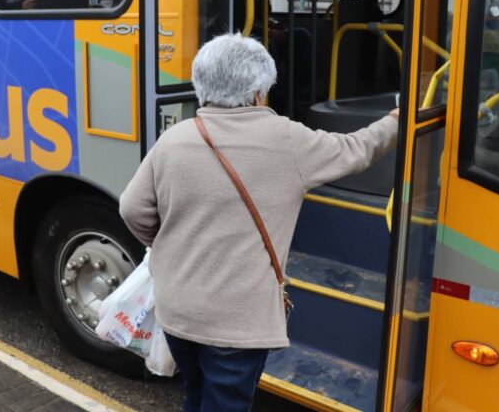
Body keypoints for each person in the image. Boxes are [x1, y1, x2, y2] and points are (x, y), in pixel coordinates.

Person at [119, 34, 398, 412]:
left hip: (178, 310)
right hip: (237, 325)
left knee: (195, 392)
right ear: (257, 93)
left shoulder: (174, 139)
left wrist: (170, 244)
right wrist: (397, 119)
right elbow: (358, 150)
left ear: (202, 88)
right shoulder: (287, 139)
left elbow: (133, 209)